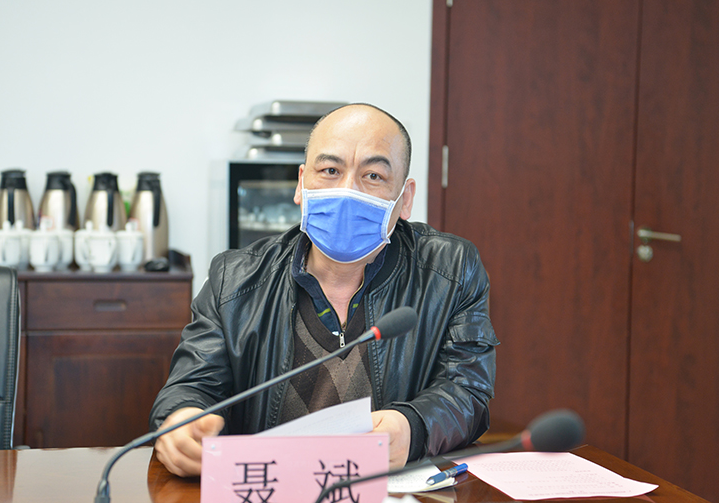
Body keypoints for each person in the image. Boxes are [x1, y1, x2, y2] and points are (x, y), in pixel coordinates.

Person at [149, 103, 498, 477]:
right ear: (301, 184)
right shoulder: (233, 280)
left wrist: (413, 427)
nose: (347, 191)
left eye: (373, 176)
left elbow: (468, 391)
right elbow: (192, 386)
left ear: (405, 198)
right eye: (330, 171)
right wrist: (182, 420)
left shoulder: (451, 271)